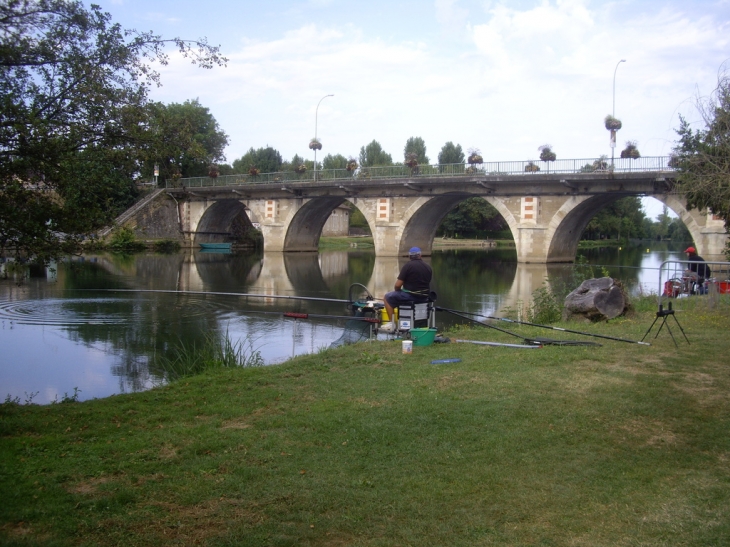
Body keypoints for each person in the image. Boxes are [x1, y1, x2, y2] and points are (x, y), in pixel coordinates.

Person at [380, 247, 432, 333]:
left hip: (411, 296)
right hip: (424, 297)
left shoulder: (408, 266)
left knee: (387, 297)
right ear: (420, 255)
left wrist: (397, 291)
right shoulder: (428, 267)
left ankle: (391, 323)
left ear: (410, 256)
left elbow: (397, 285)